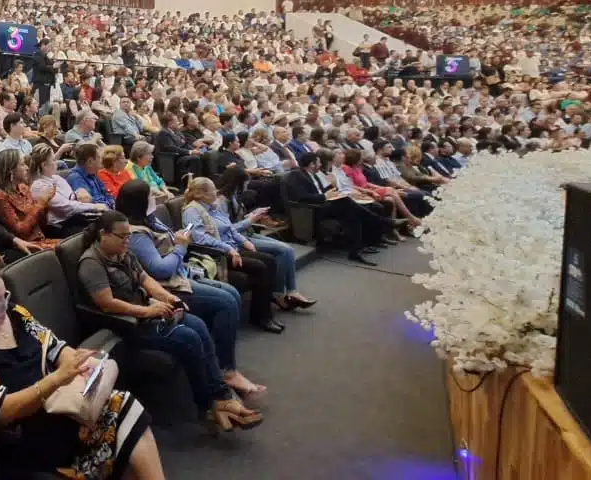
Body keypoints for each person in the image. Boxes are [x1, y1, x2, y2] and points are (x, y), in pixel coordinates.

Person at [0, 259, 166, 479]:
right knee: (122, 416)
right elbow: (1, 414)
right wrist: (56, 379)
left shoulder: (15, 314)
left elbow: (54, 348)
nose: (6, 304)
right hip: (27, 436)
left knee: (123, 409)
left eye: (6, 296)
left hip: (58, 408)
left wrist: (80, 363)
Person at [76, 211, 263, 433]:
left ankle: (220, 396)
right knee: (189, 338)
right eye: (121, 236)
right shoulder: (91, 263)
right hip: (123, 325)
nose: (127, 240)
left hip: (144, 313)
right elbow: (107, 303)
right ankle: (209, 403)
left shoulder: (123, 253)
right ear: (103, 235)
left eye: (128, 235)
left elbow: (146, 280)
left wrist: (168, 297)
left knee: (198, 326)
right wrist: (147, 311)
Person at [113, 179, 264, 394]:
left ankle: (218, 362)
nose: (153, 200)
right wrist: (181, 247)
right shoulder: (136, 233)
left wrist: (178, 242)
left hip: (181, 274)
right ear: (140, 202)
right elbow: (160, 269)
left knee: (231, 293)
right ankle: (227, 370)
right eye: (149, 197)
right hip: (167, 287)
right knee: (227, 302)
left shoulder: (150, 221)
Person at [182, 177, 315, 320]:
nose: (217, 191)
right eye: (213, 189)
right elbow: (200, 239)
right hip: (216, 254)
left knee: (269, 261)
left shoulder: (213, 207)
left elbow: (230, 229)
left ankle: (266, 312)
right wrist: (228, 248)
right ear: (203, 194)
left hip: (229, 246)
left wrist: (245, 241)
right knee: (261, 266)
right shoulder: (192, 211)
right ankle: (261, 316)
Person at [284, 152, 386, 266]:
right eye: (318, 162)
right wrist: (325, 196)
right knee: (347, 203)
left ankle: (355, 251)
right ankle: (380, 221)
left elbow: (324, 191)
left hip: (326, 205)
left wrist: (333, 192)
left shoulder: (315, 174)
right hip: (313, 210)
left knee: (352, 214)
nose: (320, 164)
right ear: (312, 164)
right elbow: (301, 197)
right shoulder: (296, 175)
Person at [27, 143, 108, 238]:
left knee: (105, 223)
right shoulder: (38, 186)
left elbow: (73, 198)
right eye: (53, 160)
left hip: (72, 218)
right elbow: (66, 207)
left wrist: (79, 194)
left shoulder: (57, 178)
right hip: (57, 226)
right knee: (96, 233)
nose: (56, 162)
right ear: (44, 165)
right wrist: (94, 206)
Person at [0, 148, 58, 252]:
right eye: (22, 165)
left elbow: (42, 224)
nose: (27, 168)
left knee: (73, 245)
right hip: (23, 246)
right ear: (10, 170)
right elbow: (20, 232)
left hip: (40, 238)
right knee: (66, 249)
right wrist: (40, 203)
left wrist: (46, 204)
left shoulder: (23, 187)